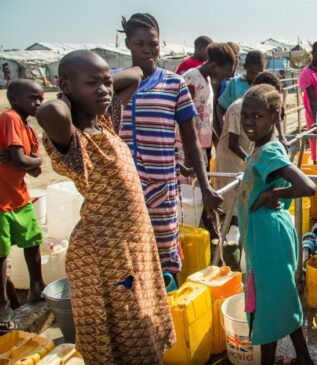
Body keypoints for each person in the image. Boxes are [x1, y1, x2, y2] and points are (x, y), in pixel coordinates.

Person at [37, 50, 174, 363]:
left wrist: (97, 84)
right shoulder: (76, 140)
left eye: (107, 82)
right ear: (66, 86)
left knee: (142, 325)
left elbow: (137, 74)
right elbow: (49, 112)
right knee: (126, 330)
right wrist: (67, 97)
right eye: (91, 83)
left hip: (133, 246)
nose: (104, 89)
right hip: (105, 254)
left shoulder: (105, 124)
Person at [117, 13, 222, 276]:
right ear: (128, 44)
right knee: (128, 254)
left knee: (166, 253)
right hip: (123, 184)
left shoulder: (173, 83)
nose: (147, 49)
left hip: (162, 185)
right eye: (140, 43)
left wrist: (205, 185)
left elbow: (191, 140)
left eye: (152, 43)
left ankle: (167, 309)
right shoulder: (113, 82)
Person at [237, 84, 315, 364]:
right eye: (245, 115)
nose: (248, 121)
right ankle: (304, 356)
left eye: (257, 116)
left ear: (274, 117)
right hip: (266, 238)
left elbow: (307, 186)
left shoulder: (269, 152)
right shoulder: (262, 147)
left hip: (269, 241)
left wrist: (272, 193)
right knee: (280, 296)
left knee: (267, 304)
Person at [214, 71, 285, 239]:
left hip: (247, 157)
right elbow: (232, 143)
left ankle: (237, 240)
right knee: (232, 206)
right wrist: (251, 160)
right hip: (230, 159)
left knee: (243, 203)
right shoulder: (239, 108)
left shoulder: (269, 148)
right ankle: (231, 244)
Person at [0, 80, 46, 331]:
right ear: (15, 99)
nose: (38, 103)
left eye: (40, 98)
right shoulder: (9, 118)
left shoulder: (29, 129)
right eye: (32, 98)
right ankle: (3, 304)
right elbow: (20, 159)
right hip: (1, 199)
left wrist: (31, 159)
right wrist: (27, 160)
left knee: (33, 241)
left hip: (19, 196)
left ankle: (37, 286)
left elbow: (37, 169)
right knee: (1, 254)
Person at [183, 42, 238, 167]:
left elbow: (205, 116)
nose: (223, 79)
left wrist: (216, 141)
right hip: (188, 147)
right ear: (214, 66)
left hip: (200, 146)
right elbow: (183, 117)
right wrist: (187, 152)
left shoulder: (206, 79)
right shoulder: (192, 79)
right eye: (223, 74)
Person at [217, 50, 266, 121]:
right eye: (251, 73)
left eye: (259, 74)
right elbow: (220, 106)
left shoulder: (267, 84)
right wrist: (222, 124)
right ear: (245, 67)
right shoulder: (235, 83)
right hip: (237, 129)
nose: (255, 77)